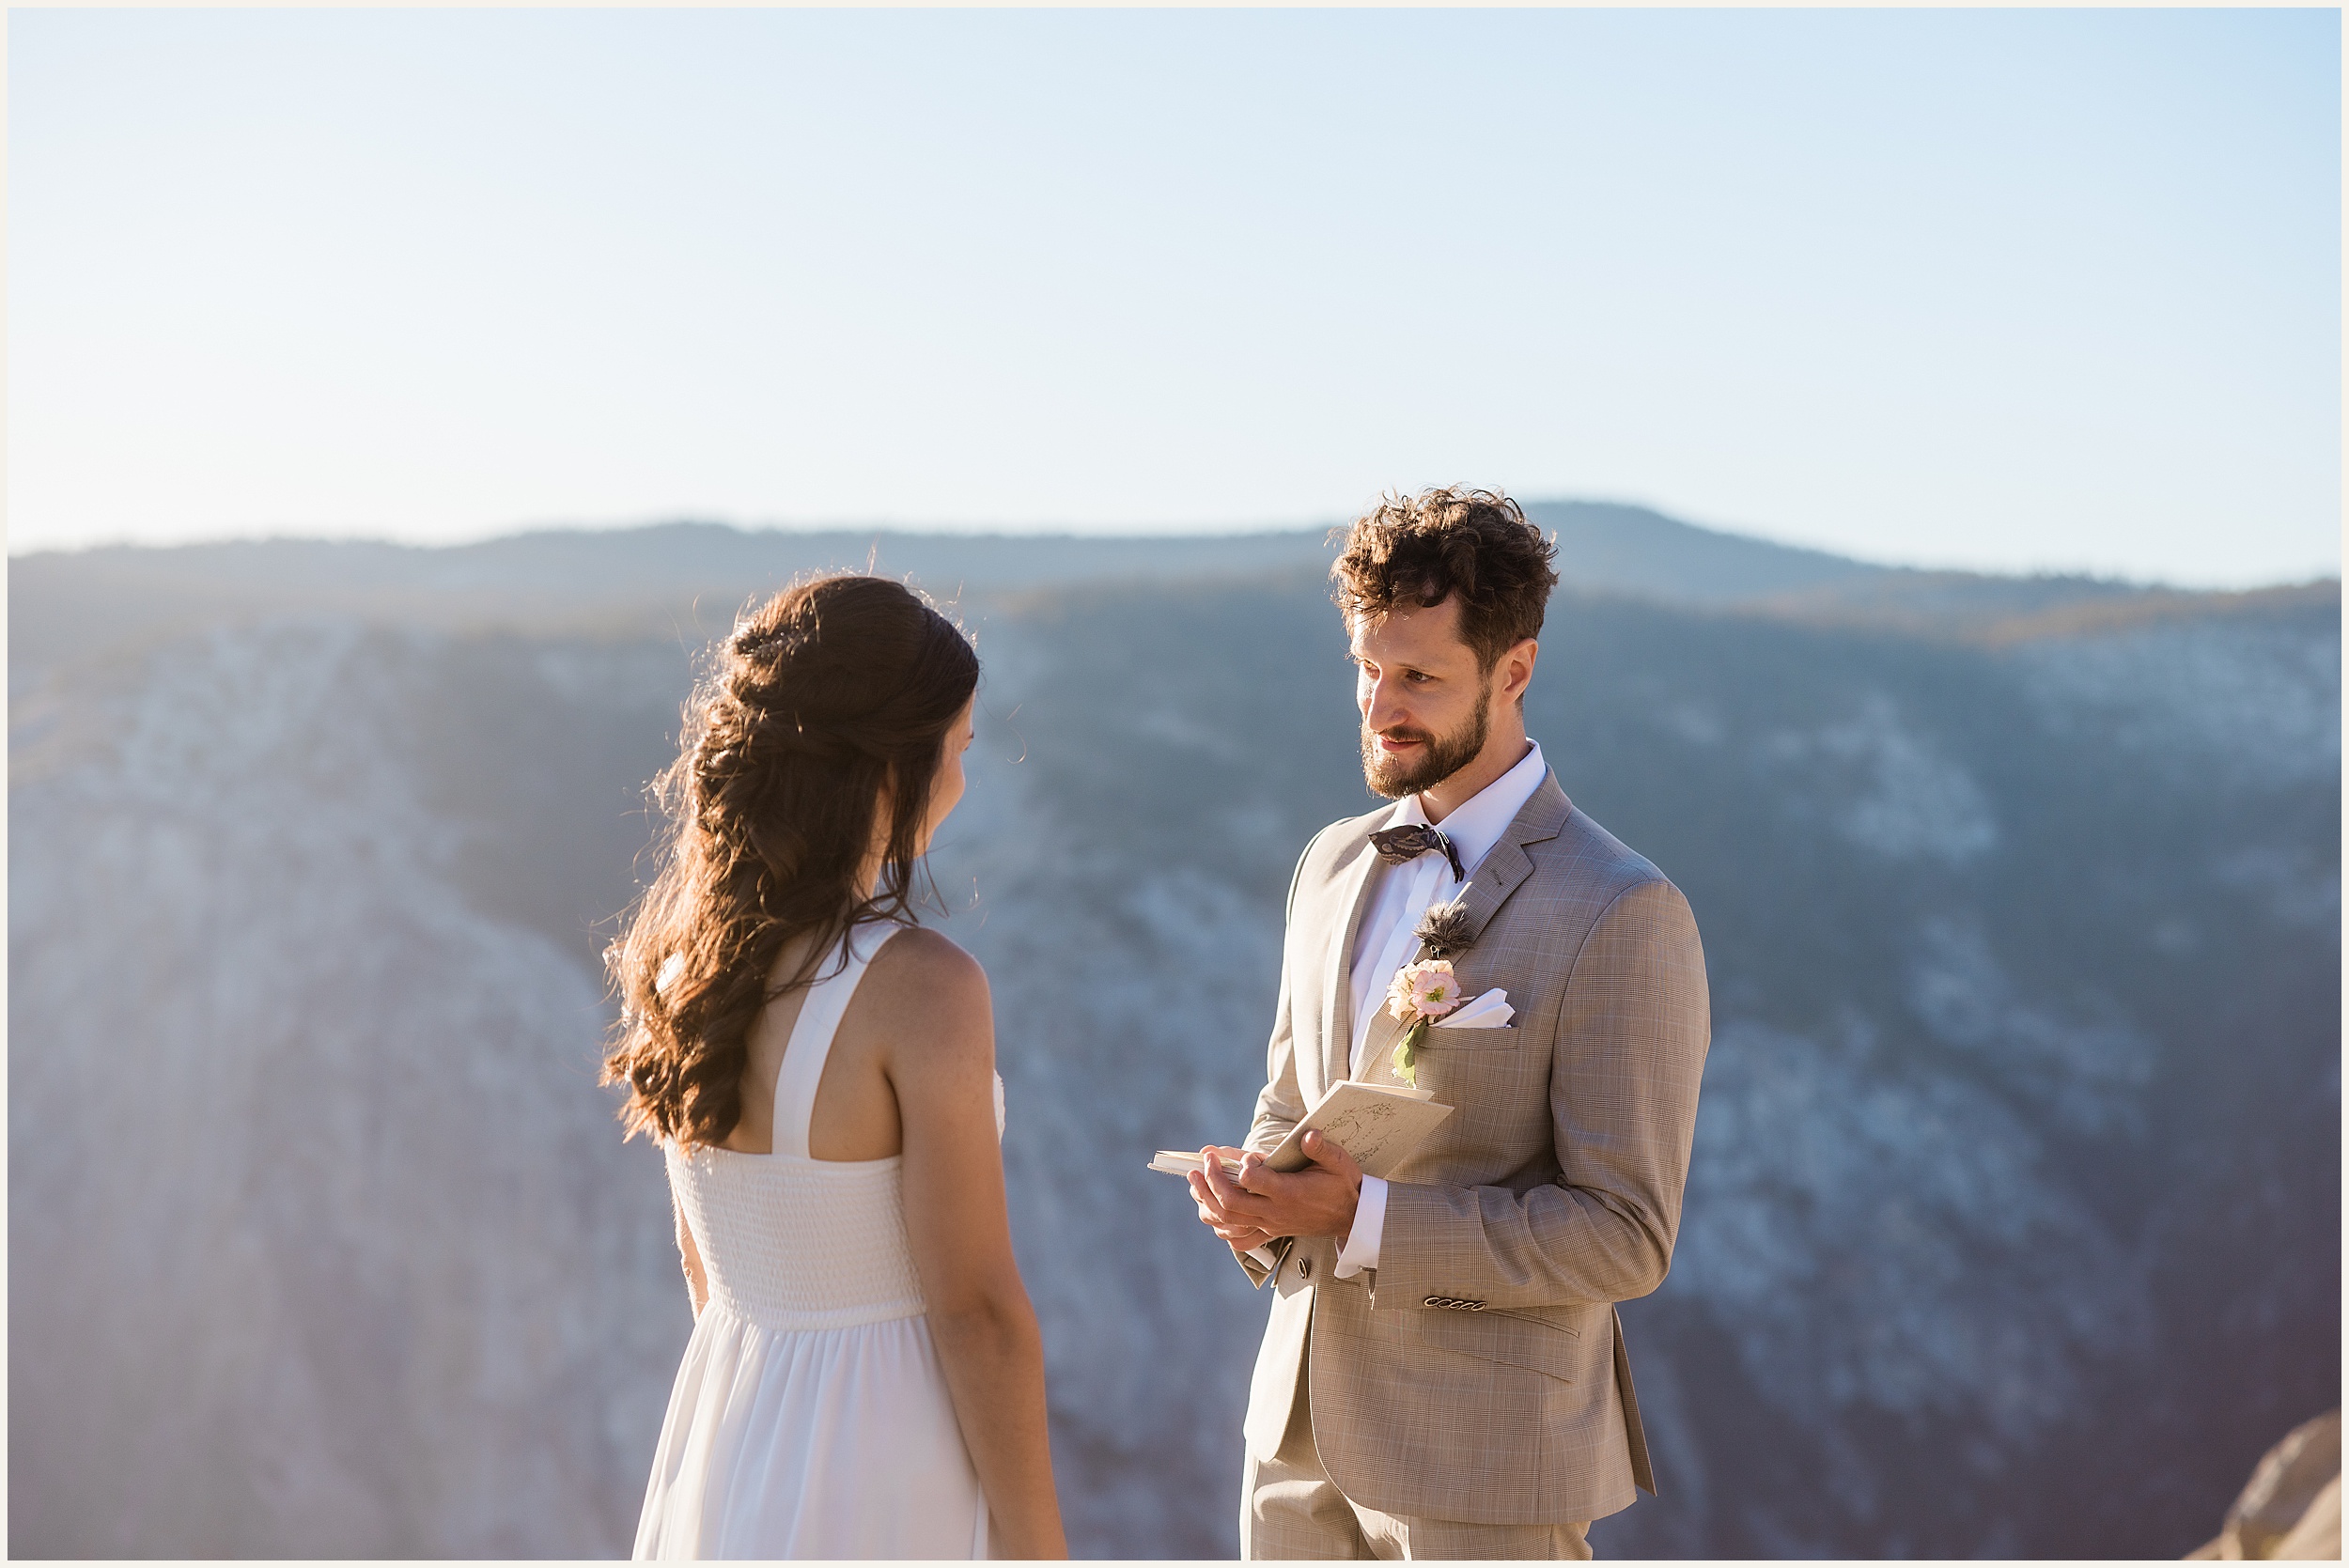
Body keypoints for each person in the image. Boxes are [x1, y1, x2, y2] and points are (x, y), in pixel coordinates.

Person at [1189, 488, 1711, 1560]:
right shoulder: (1329, 862)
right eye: (1367, 668)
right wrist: (1259, 1201)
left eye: (1420, 676)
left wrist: (1362, 1218)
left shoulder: (1622, 908)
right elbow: (1290, 1101)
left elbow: (1625, 1232)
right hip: (1289, 1452)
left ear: (1513, 671)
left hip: (1485, 1468)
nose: (1383, 704)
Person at [607, 574, 1066, 1560]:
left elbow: (706, 1264)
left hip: (731, 1429)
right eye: (959, 749)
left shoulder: (684, 964)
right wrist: (1039, 1550)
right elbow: (976, 1311)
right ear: (894, 771)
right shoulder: (922, 986)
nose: (964, 779)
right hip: (886, 1451)